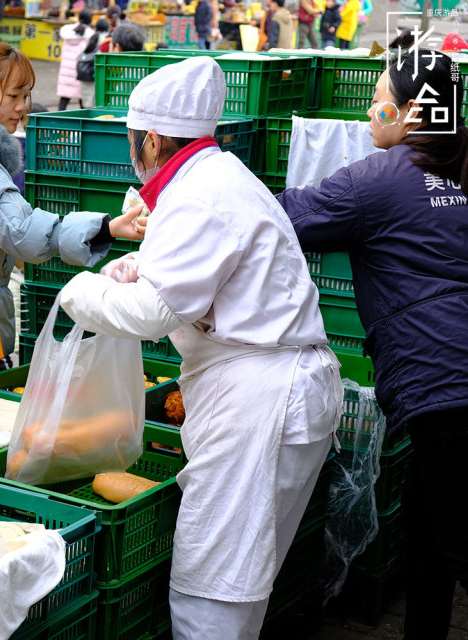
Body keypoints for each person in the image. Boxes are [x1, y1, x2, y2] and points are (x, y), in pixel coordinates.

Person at [59, 57, 341, 640]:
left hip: (260, 400)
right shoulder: (216, 177)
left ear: (151, 140)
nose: (133, 152)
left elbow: (155, 312)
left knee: (215, 584)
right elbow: (204, 270)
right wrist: (139, 267)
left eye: (133, 140)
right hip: (274, 387)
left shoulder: (199, 194)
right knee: (238, 572)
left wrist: (80, 293)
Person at [277, 50, 468, 640]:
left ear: (415, 112)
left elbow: (280, 218)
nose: (369, 109)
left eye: (381, 97)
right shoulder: (459, 164)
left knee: (455, 544)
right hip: (449, 390)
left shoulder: (378, 180)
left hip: (445, 390)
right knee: (427, 539)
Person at [0, 41, 144, 360]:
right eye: (13, 96)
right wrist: (105, 229)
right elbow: (22, 232)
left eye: (26, 96)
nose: (22, 107)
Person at [56, 10, 93, 111]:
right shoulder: (89, 35)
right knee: (83, 99)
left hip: (66, 71)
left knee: (64, 98)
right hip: (80, 71)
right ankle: (83, 119)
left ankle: (58, 118)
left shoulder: (67, 31)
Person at [77, 18, 109, 108]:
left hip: (87, 72)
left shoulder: (92, 37)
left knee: (87, 101)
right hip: (97, 73)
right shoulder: (106, 39)